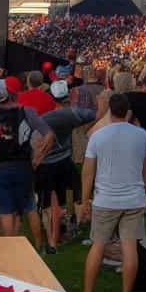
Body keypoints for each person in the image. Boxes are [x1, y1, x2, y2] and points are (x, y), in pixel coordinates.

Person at [78, 93, 146, 292]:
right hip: (133, 198)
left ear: (110, 111)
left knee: (98, 245)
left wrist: (84, 201)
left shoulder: (98, 136)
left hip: (105, 200)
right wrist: (143, 184)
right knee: (130, 248)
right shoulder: (141, 135)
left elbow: (87, 173)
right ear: (128, 111)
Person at [0, 78, 53, 246]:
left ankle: (10, 250)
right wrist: (38, 158)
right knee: (29, 207)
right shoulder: (26, 111)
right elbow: (49, 135)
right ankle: (38, 246)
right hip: (24, 166)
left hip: (2, 168)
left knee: (6, 210)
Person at [39, 80, 96, 253]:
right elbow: (96, 115)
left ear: (51, 97)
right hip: (65, 160)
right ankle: (76, 228)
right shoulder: (74, 114)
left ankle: (52, 241)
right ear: (67, 96)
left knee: (50, 204)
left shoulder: (44, 118)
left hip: (46, 164)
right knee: (72, 197)